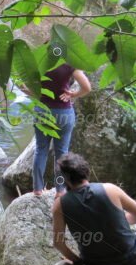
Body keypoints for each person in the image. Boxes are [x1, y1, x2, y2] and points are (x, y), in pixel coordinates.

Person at [51, 153, 136, 265]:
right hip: (129, 260)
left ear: (64, 180)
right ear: (86, 171)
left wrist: (78, 261)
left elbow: (58, 243)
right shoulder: (110, 189)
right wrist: (118, 222)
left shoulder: (59, 205)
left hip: (93, 263)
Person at [22, 63, 91, 197]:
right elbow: (87, 88)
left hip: (42, 111)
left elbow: (21, 84)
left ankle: (37, 189)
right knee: (61, 154)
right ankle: (60, 190)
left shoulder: (37, 60)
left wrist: (38, 94)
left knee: (41, 149)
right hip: (63, 112)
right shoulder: (69, 63)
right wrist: (73, 94)